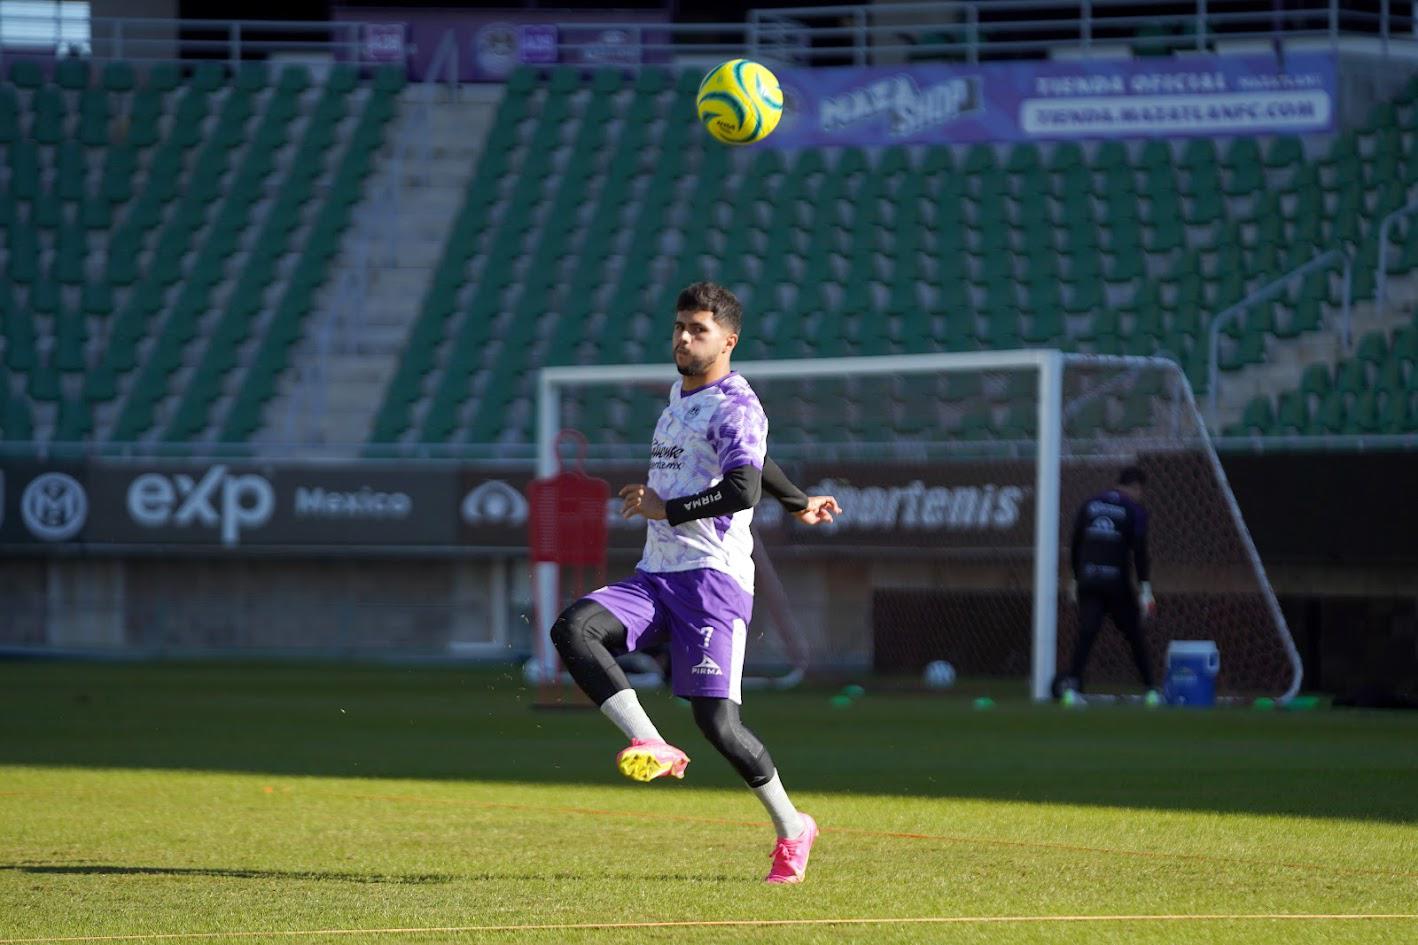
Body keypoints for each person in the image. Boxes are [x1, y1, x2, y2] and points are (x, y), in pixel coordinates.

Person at [550, 281, 842, 884]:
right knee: (574, 628)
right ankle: (651, 744)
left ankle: (792, 827)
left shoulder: (738, 404)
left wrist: (667, 510)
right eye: (680, 327)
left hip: (713, 582)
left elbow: (742, 487)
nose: (683, 338)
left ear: (728, 340)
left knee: (718, 725)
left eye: (698, 330)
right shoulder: (681, 396)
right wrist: (798, 502)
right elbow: (758, 467)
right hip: (657, 577)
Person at [1056, 466, 1160, 708]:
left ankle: (1072, 690)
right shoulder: (1134, 510)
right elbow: (1140, 551)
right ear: (1136, 487)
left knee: (1087, 633)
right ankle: (1150, 690)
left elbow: (1075, 544)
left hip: (1089, 580)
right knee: (1133, 634)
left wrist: (1075, 577)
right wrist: (1145, 587)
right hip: (1117, 584)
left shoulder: (1090, 504)